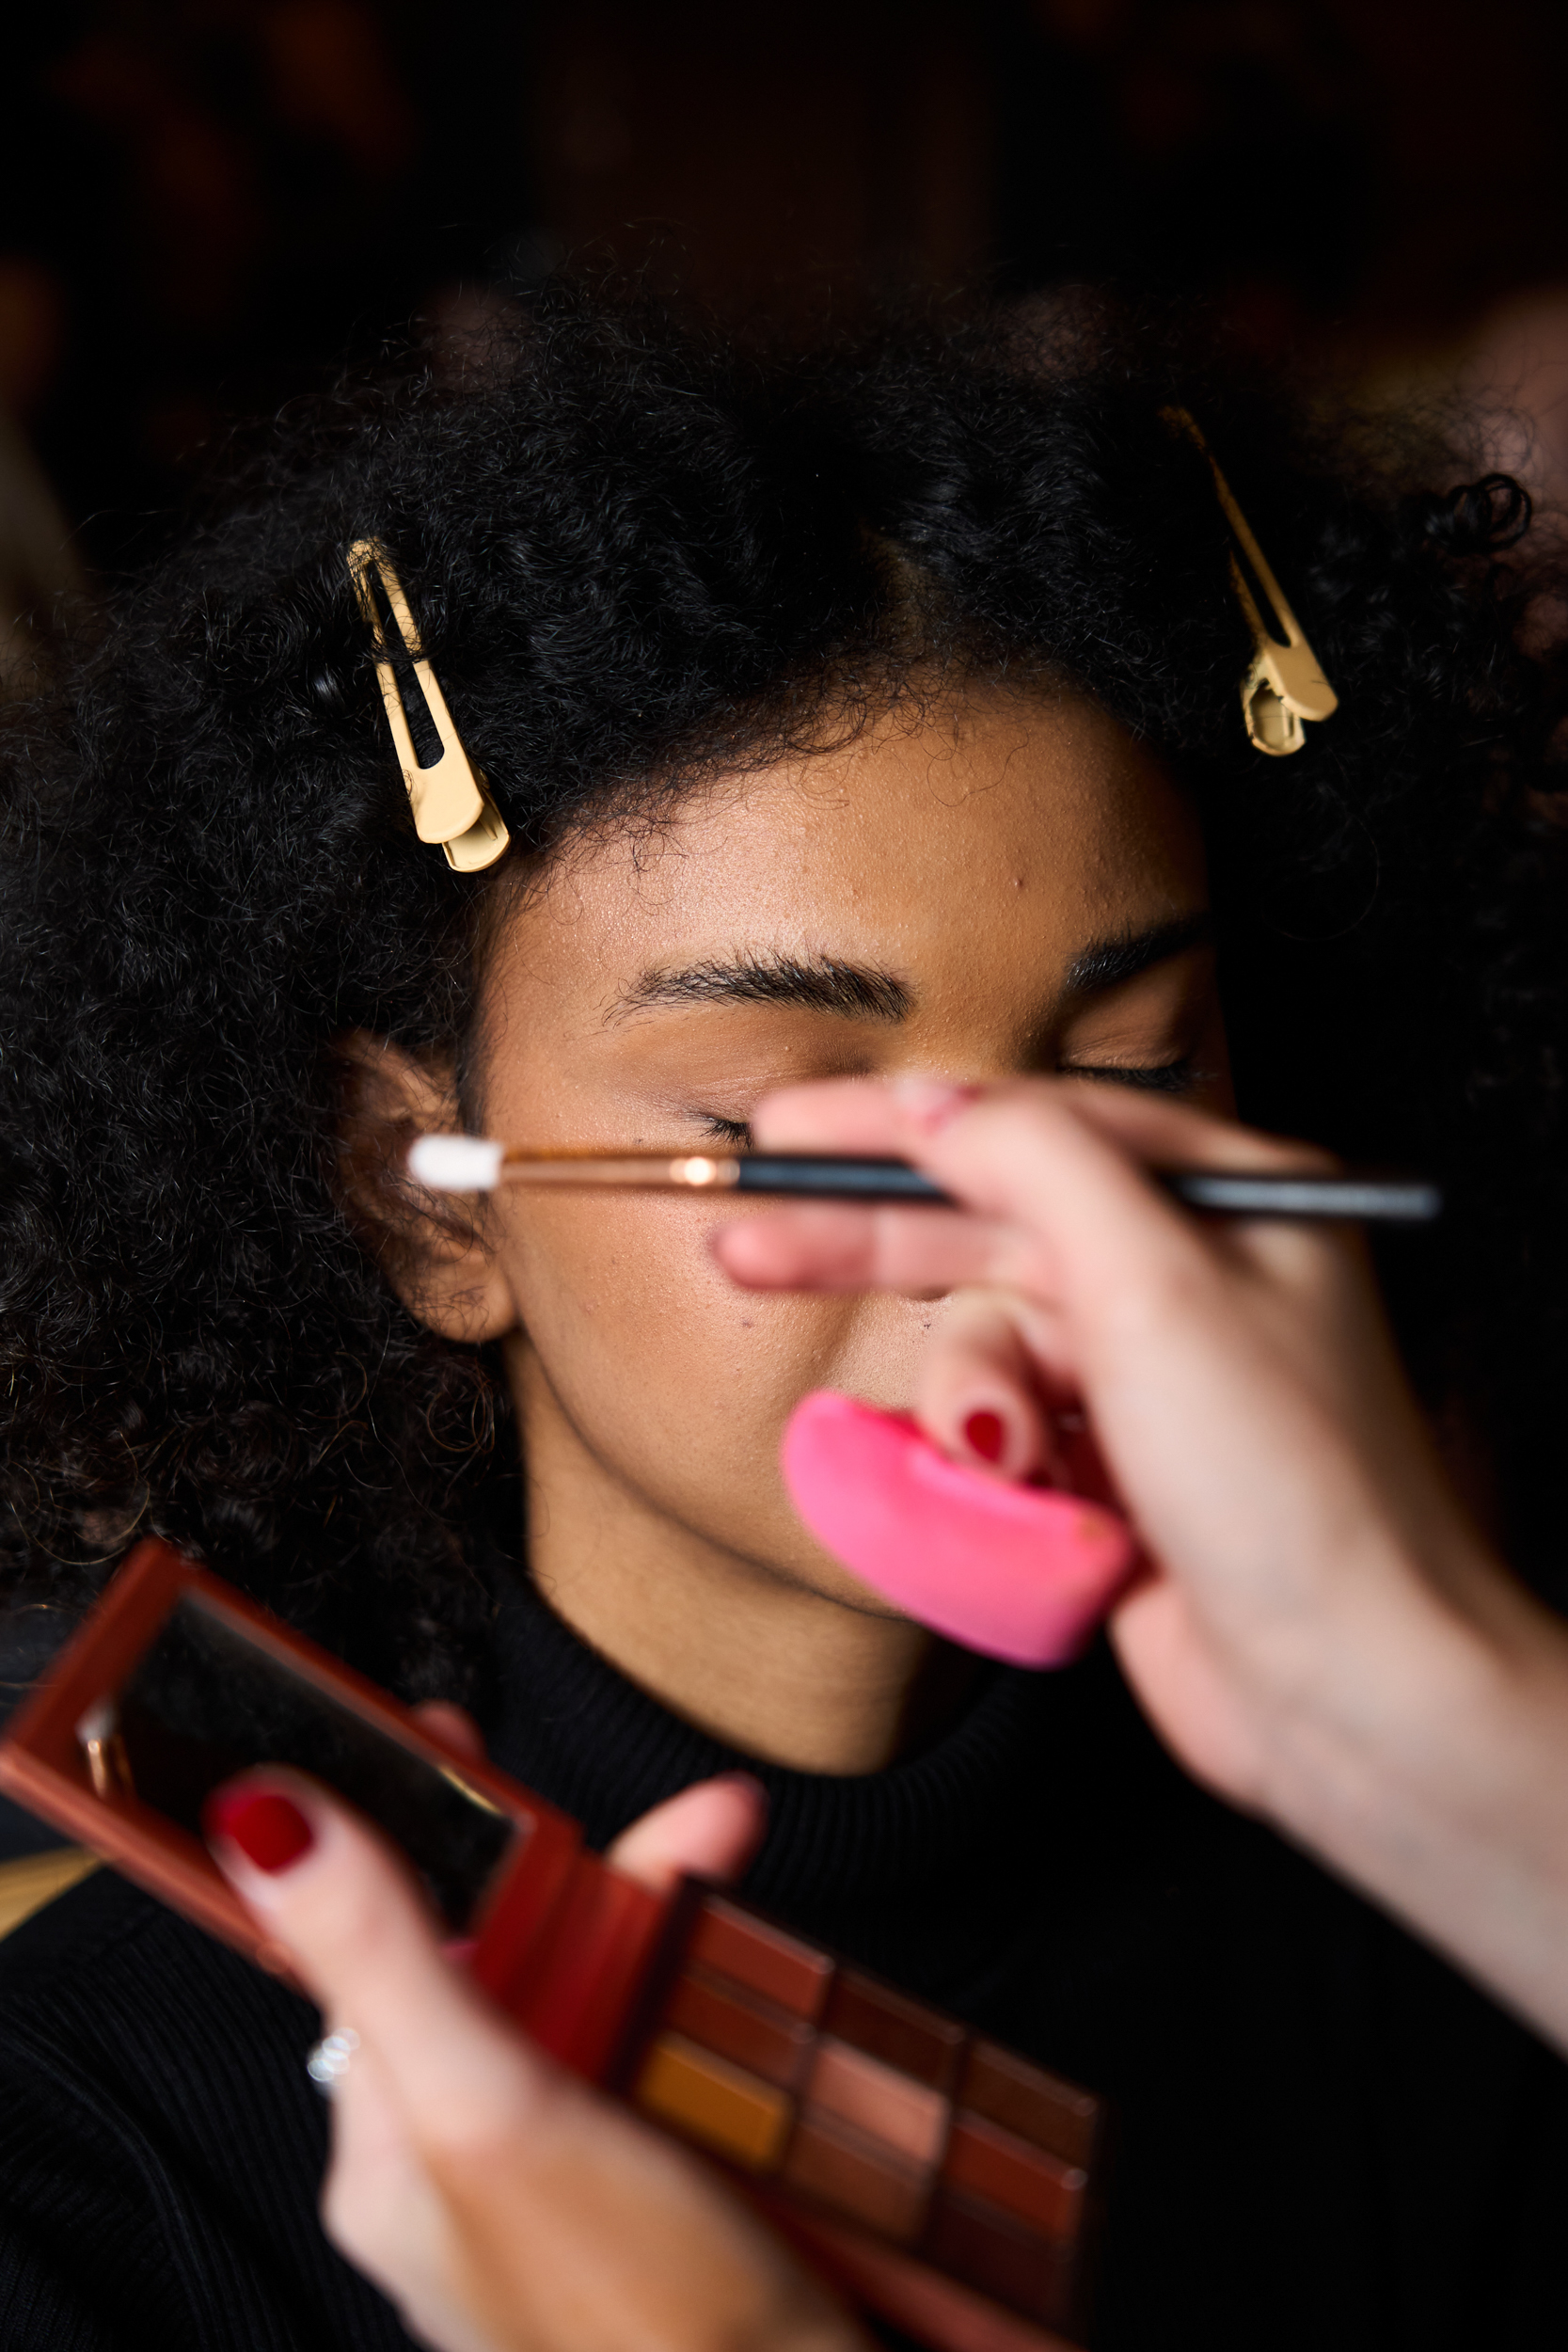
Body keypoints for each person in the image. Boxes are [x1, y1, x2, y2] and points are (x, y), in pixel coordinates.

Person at [2, 284, 1568, 2350]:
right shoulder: (89, 2134)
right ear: (423, 1196)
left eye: (1129, 1068)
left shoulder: (1439, 1922)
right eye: (800, 1130)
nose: (1013, 1236)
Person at [202, 1065, 1568, 2352]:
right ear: (426, 1194)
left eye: (1132, 1074)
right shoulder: (91, 2166)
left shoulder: (1426, 1953)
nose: (976, 1250)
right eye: (762, 1131)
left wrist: (1426, 1712)